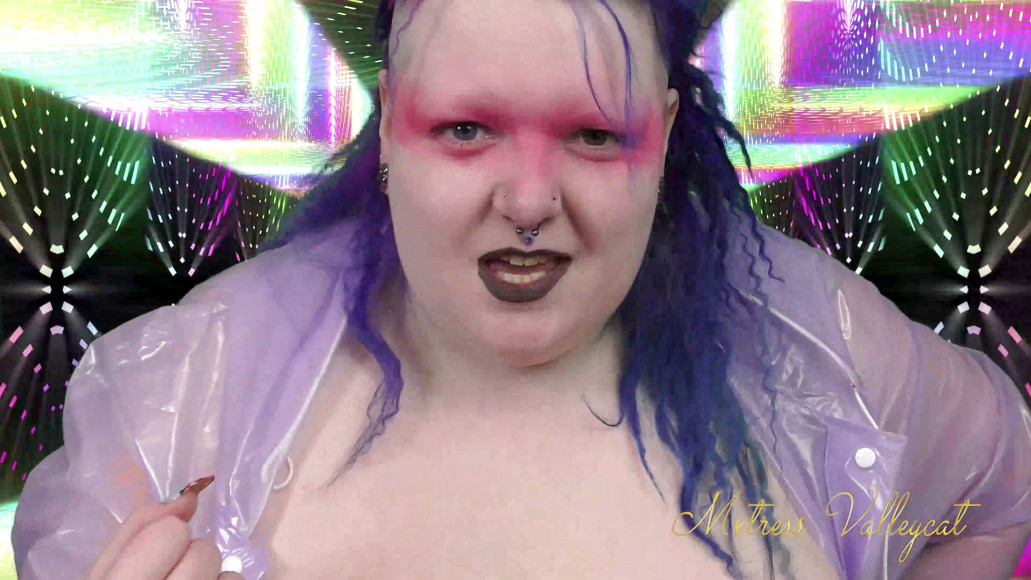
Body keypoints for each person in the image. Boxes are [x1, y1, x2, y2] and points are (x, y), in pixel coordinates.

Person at [11, 0, 1031, 578]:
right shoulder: (184, 399)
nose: (531, 199)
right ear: (388, 131)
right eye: (466, 129)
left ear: (665, 134)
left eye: (593, 134)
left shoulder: (821, 350)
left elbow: (994, 489)